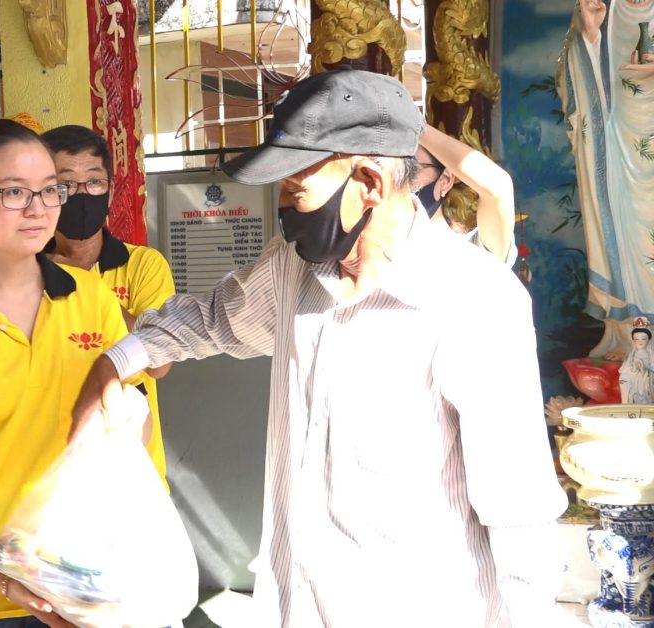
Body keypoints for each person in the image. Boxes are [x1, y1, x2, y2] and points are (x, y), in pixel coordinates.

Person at [71, 70, 570, 627]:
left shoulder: (473, 299)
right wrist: (119, 359)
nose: (285, 212)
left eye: (295, 191)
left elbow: (518, 508)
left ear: (369, 183)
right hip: (298, 607)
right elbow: (213, 319)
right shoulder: (294, 271)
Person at [0, 118, 163, 627]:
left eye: (49, 190)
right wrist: (7, 580)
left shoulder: (94, 300)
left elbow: (137, 424)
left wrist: (127, 421)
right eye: (14, 192)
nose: (39, 208)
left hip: (76, 580)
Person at [41, 124, 174, 477]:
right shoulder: (26, 274)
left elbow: (159, 365)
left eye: (94, 182)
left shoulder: (144, 265)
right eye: (66, 185)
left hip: (133, 473)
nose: (82, 194)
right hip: (51, 472)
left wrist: (85, 285)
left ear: (110, 191)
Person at [559, 0, 654, 356]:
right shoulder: (602, 8)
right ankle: (631, 331)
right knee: (622, 221)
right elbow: (578, 88)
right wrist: (590, 34)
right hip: (615, 151)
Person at [413, 124, 516, 265]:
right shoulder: (387, 246)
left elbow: (498, 186)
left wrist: (416, 127)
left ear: (445, 180)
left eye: (412, 167)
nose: (400, 175)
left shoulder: (473, 252)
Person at [619, 318, 654, 403]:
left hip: (647, 383)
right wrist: (632, 370)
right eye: (637, 339)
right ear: (633, 340)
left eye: (643, 339)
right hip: (633, 381)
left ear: (649, 339)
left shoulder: (651, 355)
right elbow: (624, 370)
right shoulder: (631, 355)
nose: (640, 342)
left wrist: (645, 367)